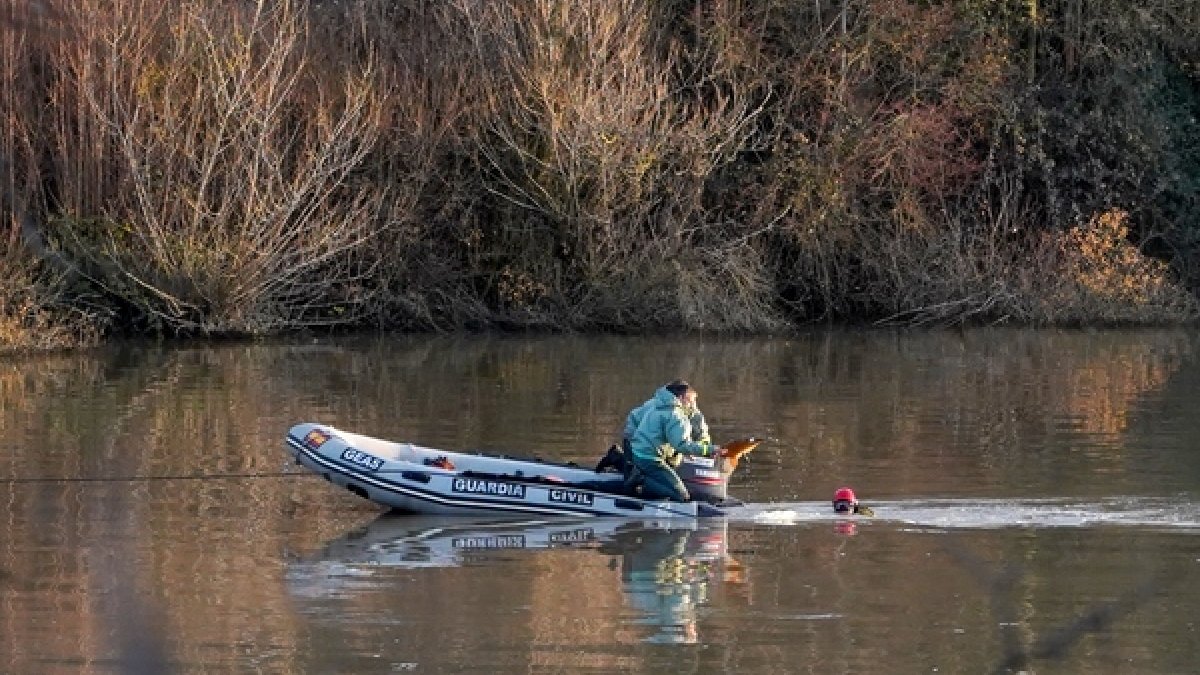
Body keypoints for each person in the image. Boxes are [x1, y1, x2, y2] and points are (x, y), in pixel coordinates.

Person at [628, 380, 716, 502]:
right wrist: (711, 449)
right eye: (691, 400)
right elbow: (681, 444)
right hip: (651, 459)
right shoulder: (675, 414)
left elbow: (673, 437)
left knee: (671, 475)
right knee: (681, 496)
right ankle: (641, 481)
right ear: (681, 398)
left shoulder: (660, 405)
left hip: (641, 452)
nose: (693, 405)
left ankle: (637, 475)